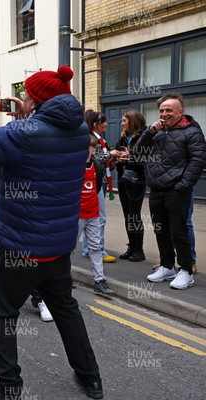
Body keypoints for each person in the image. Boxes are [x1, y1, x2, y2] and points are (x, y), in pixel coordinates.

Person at [0, 66, 103, 399]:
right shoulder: (79, 130)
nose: (22, 99)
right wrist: (29, 114)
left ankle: (9, 385)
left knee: (3, 314)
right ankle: (91, 378)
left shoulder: (26, 133)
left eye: (26, 94)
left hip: (17, 247)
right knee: (66, 310)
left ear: (36, 99)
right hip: (56, 247)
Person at [138, 93, 206, 290]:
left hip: (177, 191)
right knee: (161, 231)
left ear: (180, 112)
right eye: (161, 110)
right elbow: (137, 153)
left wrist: (183, 186)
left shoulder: (191, 132)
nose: (164, 114)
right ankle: (167, 266)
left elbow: (198, 161)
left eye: (169, 110)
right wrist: (149, 132)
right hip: (156, 190)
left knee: (179, 231)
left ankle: (186, 270)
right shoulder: (156, 132)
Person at [77, 135, 114, 295]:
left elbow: (98, 187)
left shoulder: (97, 166)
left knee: (95, 247)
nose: (89, 150)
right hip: (76, 215)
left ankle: (99, 281)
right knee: (69, 248)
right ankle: (64, 278)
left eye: (91, 148)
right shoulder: (73, 167)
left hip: (93, 214)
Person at [83, 111, 119, 263]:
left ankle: (88, 249)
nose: (106, 124)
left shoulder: (99, 140)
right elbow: (95, 158)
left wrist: (113, 160)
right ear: (95, 124)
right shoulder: (92, 140)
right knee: (98, 218)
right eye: (103, 121)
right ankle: (98, 250)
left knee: (93, 218)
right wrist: (112, 154)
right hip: (95, 182)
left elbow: (101, 161)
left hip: (99, 180)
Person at [115, 109, 147, 262]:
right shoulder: (123, 138)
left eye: (124, 121)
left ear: (132, 121)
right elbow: (116, 154)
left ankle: (139, 250)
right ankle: (131, 247)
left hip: (136, 181)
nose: (122, 123)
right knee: (127, 215)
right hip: (123, 179)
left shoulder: (144, 136)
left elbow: (147, 160)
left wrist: (128, 158)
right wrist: (117, 159)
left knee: (135, 215)